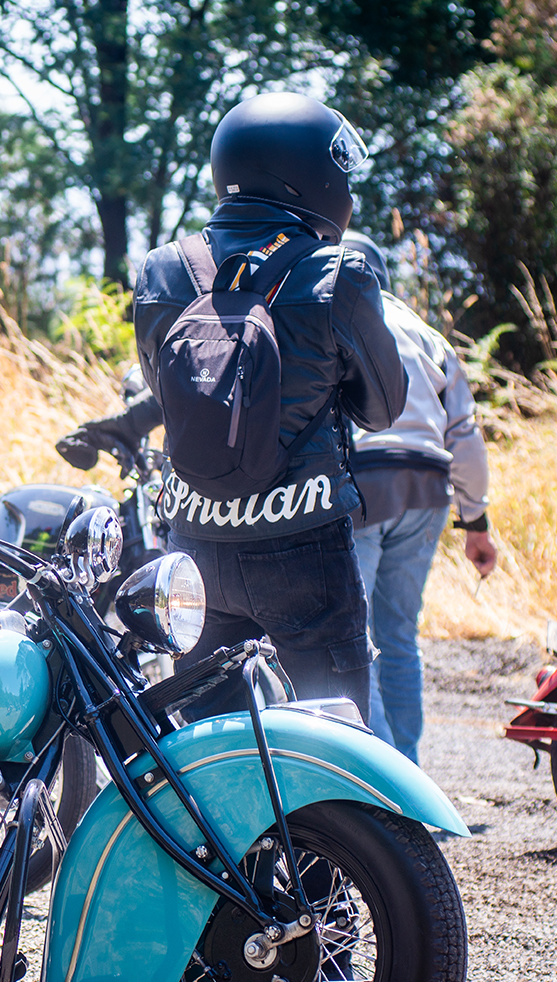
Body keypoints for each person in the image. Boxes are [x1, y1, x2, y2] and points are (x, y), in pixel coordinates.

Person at [129, 92, 407, 718]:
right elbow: (383, 409)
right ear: (306, 174)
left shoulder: (161, 271)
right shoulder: (338, 273)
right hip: (302, 541)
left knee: (209, 746)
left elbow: (168, 396)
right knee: (333, 741)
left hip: (194, 542)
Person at [341, 231, 497, 764]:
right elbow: (465, 437)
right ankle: (407, 765)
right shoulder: (429, 335)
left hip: (363, 487)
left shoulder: (334, 317)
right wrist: (476, 522)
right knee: (399, 636)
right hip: (429, 489)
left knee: (353, 638)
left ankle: (382, 774)